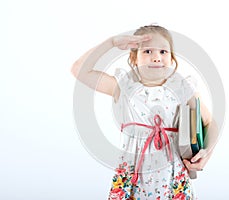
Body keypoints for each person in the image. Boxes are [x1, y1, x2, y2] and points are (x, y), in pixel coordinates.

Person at [71, 25, 218, 199]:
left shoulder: (182, 88)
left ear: (172, 59)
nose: (156, 57)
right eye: (147, 51)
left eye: (163, 52)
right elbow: (78, 69)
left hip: (172, 177)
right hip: (132, 177)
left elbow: (209, 122)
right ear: (134, 58)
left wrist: (207, 152)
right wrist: (111, 43)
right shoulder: (123, 87)